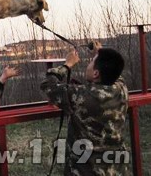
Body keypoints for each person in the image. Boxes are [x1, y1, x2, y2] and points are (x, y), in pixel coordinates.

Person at [40, 41, 129, 175]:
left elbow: (48, 85)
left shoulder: (83, 96)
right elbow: (116, 73)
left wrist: (67, 65)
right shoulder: (121, 89)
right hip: (116, 168)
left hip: (87, 170)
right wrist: (98, 54)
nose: (88, 64)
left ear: (96, 74)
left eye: (91, 62)